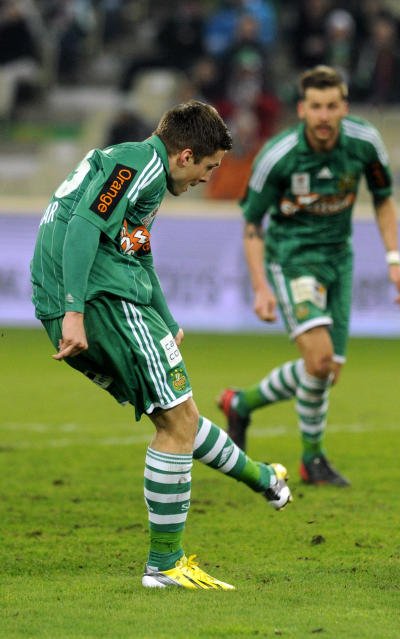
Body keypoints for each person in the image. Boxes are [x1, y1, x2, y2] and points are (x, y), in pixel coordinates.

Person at [30, 100, 291, 590]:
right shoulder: (137, 166)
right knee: (178, 420)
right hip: (100, 300)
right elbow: (83, 226)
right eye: (209, 168)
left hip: (94, 297)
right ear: (185, 156)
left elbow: (138, 249)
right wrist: (74, 311)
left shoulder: (136, 169)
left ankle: (262, 478)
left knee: (178, 415)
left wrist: (167, 320)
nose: (207, 179)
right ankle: (165, 565)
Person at [217, 65, 400, 486]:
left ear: (344, 108)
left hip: (339, 259)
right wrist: (261, 287)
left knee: (326, 371)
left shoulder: (364, 143)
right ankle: (312, 460)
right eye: (316, 107)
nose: (324, 116)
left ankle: (241, 403)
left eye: (332, 106)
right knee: (319, 360)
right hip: (292, 260)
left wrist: (394, 259)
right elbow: (252, 224)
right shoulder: (278, 156)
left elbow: (383, 198)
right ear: (302, 109)